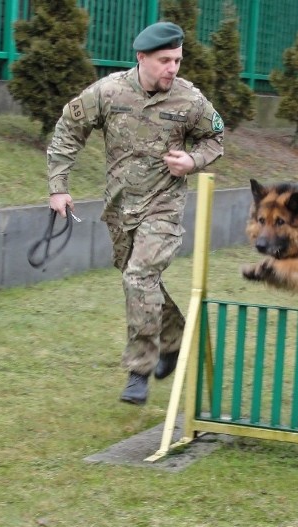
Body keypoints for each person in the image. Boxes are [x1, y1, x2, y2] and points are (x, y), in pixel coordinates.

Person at [46, 22, 225, 405]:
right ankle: (176, 337)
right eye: (164, 61)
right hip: (120, 209)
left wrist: (193, 160)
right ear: (141, 58)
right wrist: (58, 188)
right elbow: (67, 130)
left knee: (140, 276)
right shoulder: (108, 92)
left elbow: (215, 137)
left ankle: (138, 370)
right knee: (137, 280)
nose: (172, 68)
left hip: (164, 206)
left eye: (177, 60)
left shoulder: (189, 100)